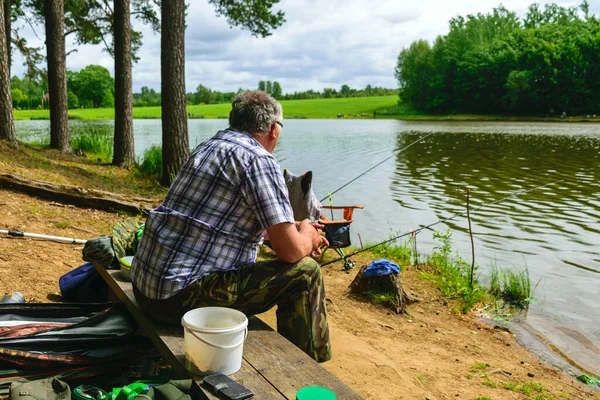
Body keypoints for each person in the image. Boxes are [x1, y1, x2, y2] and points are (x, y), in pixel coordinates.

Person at [130, 91, 331, 362]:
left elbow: (223, 218)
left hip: (145, 288)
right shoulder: (260, 160)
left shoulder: (208, 146)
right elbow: (291, 252)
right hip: (176, 302)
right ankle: (308, 370)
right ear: (273, 130)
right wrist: (307, 235)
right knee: (305, 273)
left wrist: (291, 226)